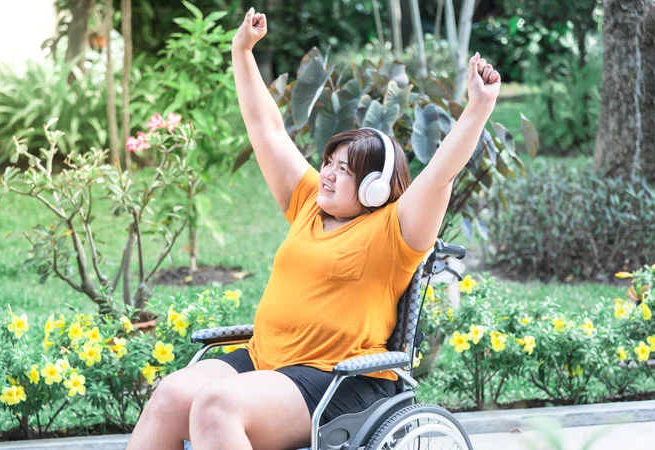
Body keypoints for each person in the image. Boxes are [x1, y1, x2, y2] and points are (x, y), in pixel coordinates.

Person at [126, 6, 500, 450]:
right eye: (328, 163)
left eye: (344, 170)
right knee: (171, 394)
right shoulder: (307, 202)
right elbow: (265, 129)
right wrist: (241, 52)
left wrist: (480, 106)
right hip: (265, 360)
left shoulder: (395, 231)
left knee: (216, 404)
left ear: (376, 189)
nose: (327, 173)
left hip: (336, 378)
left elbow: (439, 176)